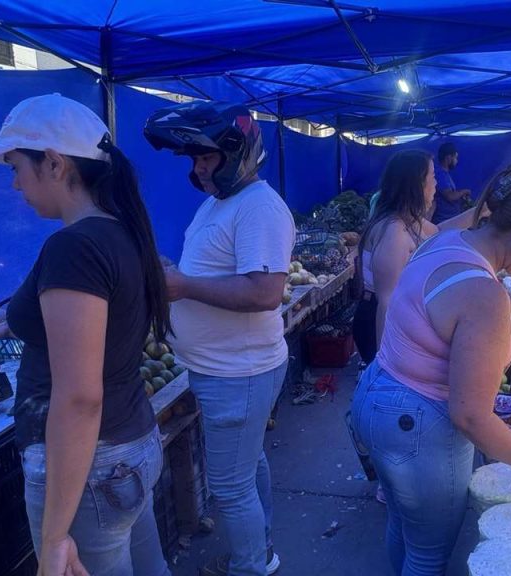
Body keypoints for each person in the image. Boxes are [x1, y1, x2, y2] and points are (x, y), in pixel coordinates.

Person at [0, 94, 171, 576]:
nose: (14, 183)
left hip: (89, 467)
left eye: (15, 166)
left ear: (53, 163)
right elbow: (100, 319)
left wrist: (54, 537)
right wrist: (9, 319)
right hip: (129, 444)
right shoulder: (121, 231)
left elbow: (81, 398)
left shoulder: (75, 247)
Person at [351, 166, 511, 576]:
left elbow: (458, 309)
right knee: (428, 554)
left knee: (404, 525)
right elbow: (471, 415)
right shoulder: (484, 293)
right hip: (419, 425)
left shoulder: (449, 241)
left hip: (378, 398)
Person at [144, 102, 294, 576]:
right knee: (248, 468)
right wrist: (178, 273)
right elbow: (217, 271)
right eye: (195, 159)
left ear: (238, 154)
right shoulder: (220, 203)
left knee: (230, 486)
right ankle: (259, 551)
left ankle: (250, 566)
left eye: (207, 158)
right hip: (227, 370)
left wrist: (184, 286)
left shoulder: (259, 207)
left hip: (238, 373)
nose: (199, 169)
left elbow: (265, 292)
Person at [352, 150, 485, 367]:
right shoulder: (394, 231)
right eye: (432, 176)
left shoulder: (406, 219)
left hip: (389, 315)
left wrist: (481, 210)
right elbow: (387, 300)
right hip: (378, 319)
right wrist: (384, 361)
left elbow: (439, 231)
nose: (436, 184)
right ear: (416, 184)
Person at [430, 143, 471, 224]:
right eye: (455, 157)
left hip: (449, 219)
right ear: (448, 158)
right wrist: (464, 191)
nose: (456, 161)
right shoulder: (440, 174)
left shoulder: (444, 174)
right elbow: (450, 196)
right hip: (444, 221)